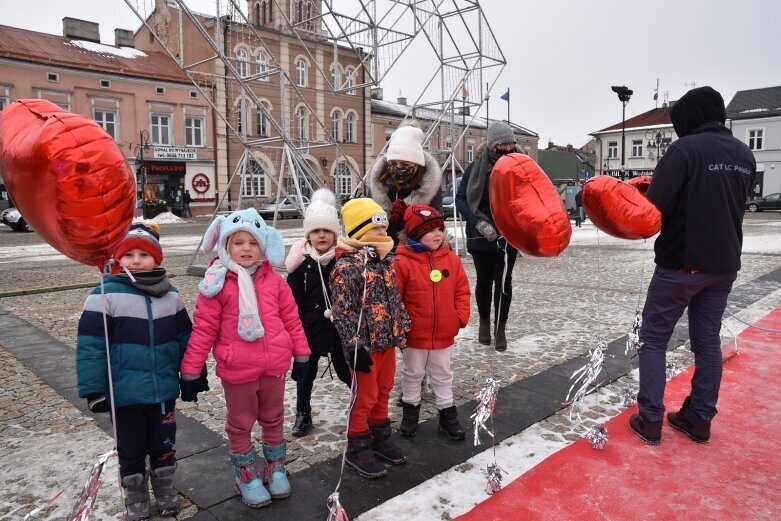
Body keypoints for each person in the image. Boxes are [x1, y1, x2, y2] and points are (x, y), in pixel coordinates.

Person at [629, 86, 756, 445]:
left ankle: (651, 417)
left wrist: (638, 194)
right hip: (723, 264)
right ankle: (699, 418)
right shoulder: (743, 153)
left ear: (689, 118)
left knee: (653, 339)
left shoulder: (684, 149)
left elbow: (655, 207)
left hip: (681, 263)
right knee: (706, 342)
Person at [179, 208, 310, 508]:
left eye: (252, 243)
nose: (246, 249)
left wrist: (301, 353)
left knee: (274, 418)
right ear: (226, 246)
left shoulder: (275, 282)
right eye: (238, 243)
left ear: (263, 246)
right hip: (237, 370)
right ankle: (246, 474)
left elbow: (292, 320)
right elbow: (203, 329)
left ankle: (275, 467)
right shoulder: (217, 283)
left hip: (273, 367)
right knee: (240, 424)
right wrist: (190, 370)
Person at [76, 222, 194, 520]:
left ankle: (165, 488)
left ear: (157, 259)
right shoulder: (104, 293)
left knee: (164, 445)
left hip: (163, 392)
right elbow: (91, 344)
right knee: (131, 449)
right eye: (129, 254)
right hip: (124, 394)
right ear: (117, 258)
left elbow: (185, 338)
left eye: (145, 254)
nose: (137, 260)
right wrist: (93, 388)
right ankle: (135, 495)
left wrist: (193, 374)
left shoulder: (171, 294)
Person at [330, 198, 411, 479]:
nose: (384, 234)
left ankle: (380, 436)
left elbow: (395, 302)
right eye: (378, 229)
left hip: (386, 343)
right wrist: (353, 345)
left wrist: (401, 331)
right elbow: (343, 312)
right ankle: (357, 444)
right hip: (363, 348)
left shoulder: (385, 262)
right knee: (364, 396)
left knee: (385, 389)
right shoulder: (346, 268)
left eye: (385, 229)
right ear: (361, 229)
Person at [391, 201, 470, 440]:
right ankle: (410, 411)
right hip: (415, 334)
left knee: (443, 373)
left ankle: (447, 413)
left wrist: (459, 317)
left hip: (444, 331)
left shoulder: (452, 260)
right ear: (415, 234)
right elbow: (396, 299)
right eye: (430, 230)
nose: (438, 234)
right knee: (413, 372)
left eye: (440, 229)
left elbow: (462, 290)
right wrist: (401, 330)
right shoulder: (401, 262)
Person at [285, 188, 351, 437]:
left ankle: (361, 406)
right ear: (308, 235)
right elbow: (289, 303)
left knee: (348, 373)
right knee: (305, 375)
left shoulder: (344, 261)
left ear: (335, 233)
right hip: (308, 331)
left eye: (326, 230)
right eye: (316, 231)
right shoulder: (300, 267)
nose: (321, 235)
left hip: (338, 332)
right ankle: (303, 412)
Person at [454, 121, 519, 351]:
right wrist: (478, 223)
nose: (509, 147)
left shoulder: (519, 164)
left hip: (508, 237)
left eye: (512, 142)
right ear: (493, 144)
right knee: (484, 282)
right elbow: (460, 199)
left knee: (503, 284)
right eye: (504, 143)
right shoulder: (476, 167)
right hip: (480, 237)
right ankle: (483, 323)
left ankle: (500, 328)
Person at [367, 121, 443, 244]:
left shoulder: (430, 185)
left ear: (417, 164)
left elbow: (435, 222)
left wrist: (408, 214)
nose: (398, 168)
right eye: (393, 163)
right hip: (383, 247)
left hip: (416, 248)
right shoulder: (380, 182)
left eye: (405, 164)